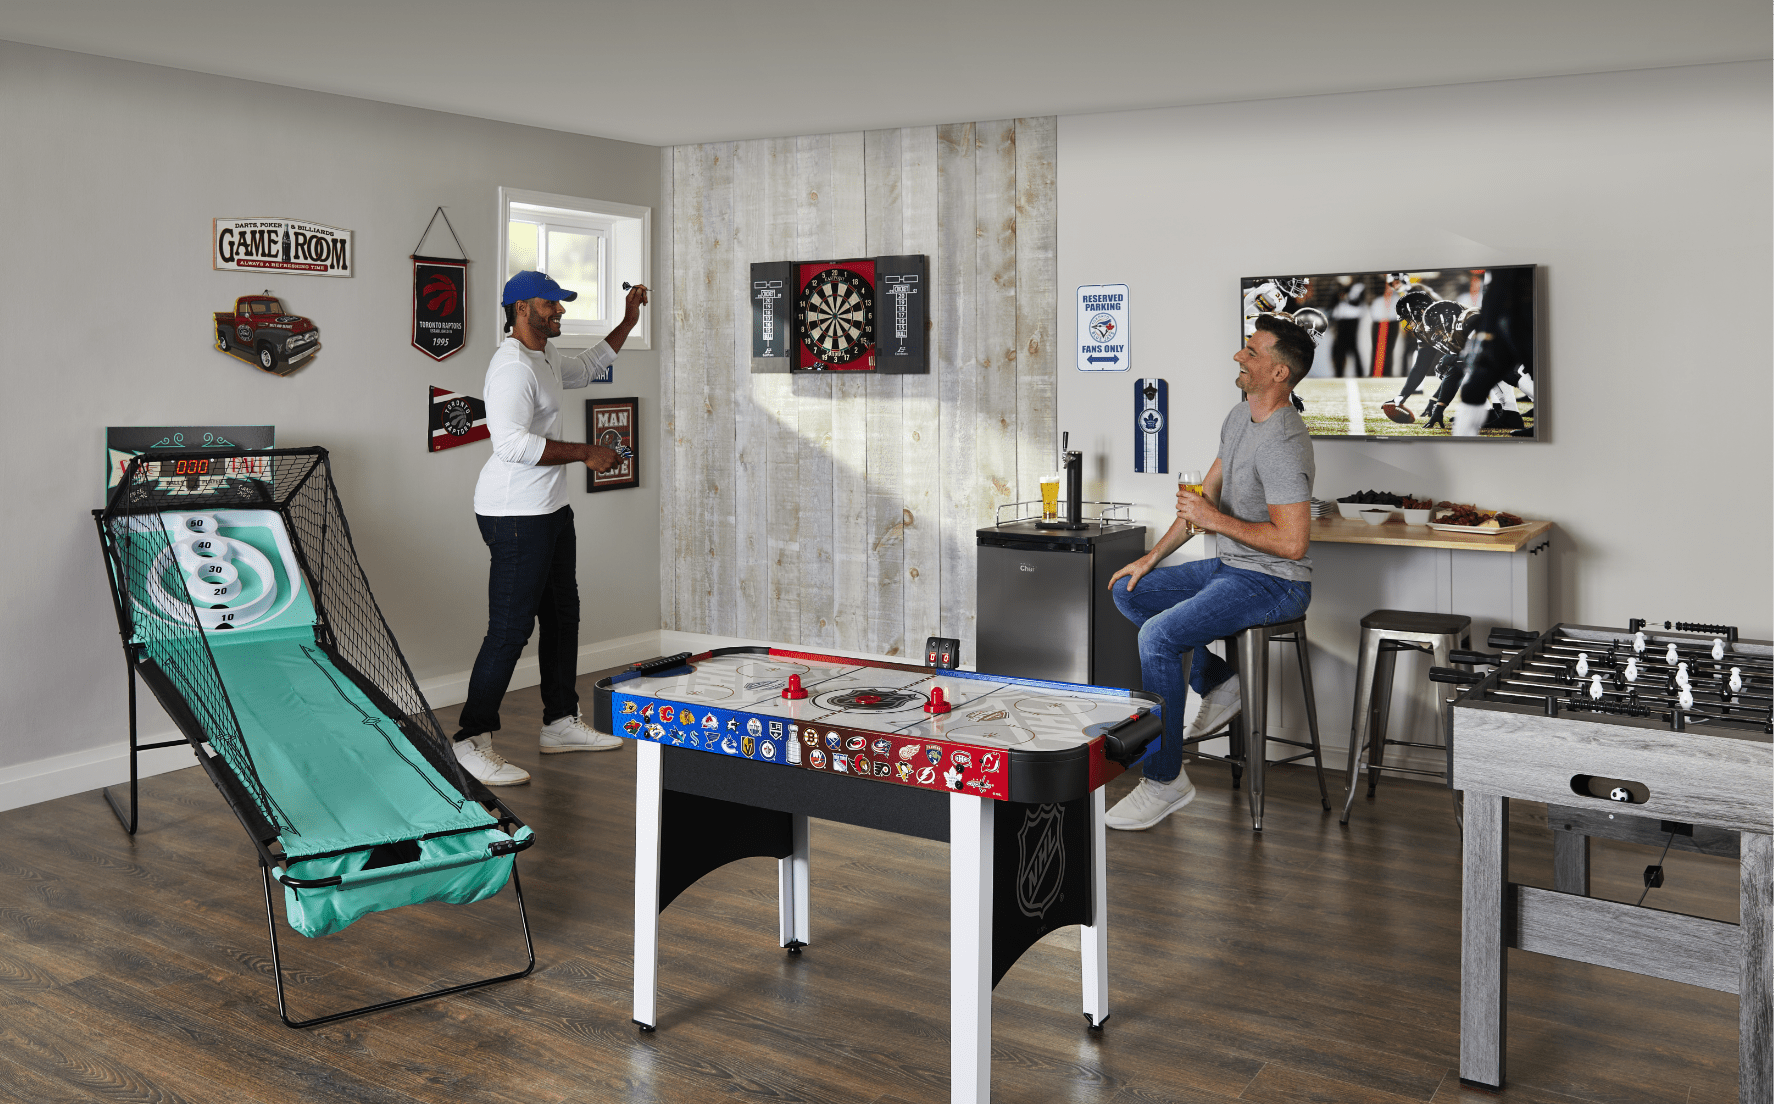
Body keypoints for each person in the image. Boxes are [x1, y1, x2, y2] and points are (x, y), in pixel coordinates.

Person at [1104, 313, 1317, 830]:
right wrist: (1151, 558)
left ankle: (1165, 779)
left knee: (1158, 636)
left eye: (1252, 352)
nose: (1239, 357)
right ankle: (1220, 682)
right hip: (1230, 568)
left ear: (1278, 373)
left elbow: (1292, 544)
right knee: (1132, 591)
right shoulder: (1240, 417)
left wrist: (1211, 518)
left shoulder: (1286, 443)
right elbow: (1206, 498)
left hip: (1275, 585)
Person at [452, 271, 649, 786]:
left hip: (550, 512)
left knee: (562, 617)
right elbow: (511, 445)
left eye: (560, 304)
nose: (559, 312)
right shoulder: (512, 367)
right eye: (550, 304)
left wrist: (628, 321)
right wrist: (586, 452)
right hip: (514, 515)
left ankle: (560, 722)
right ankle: (470, 740)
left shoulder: (543, 358)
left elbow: (585, 368)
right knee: (511, 629)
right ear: (520, 309)